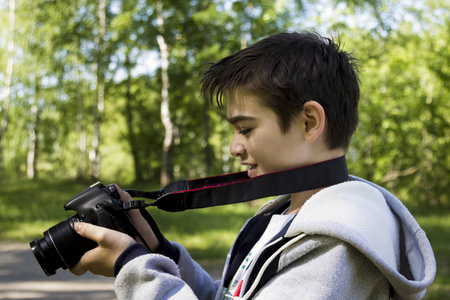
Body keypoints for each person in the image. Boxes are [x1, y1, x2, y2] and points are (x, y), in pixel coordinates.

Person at [69, 31, 436, 299]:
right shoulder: (289, 218)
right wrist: (159, 253)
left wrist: (133, 269)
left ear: (309, 122)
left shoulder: (337, 244)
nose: (233, 148)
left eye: (245, 129)